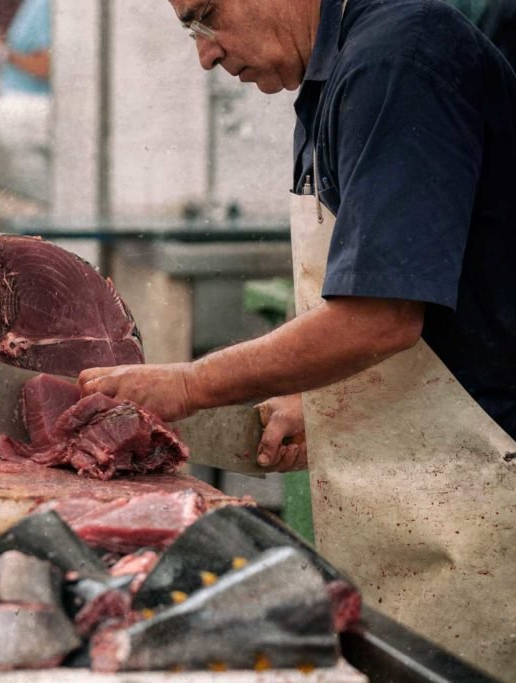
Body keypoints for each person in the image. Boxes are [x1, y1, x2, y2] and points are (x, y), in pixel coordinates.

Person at [78, 0, 516, 677]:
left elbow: (382, 315)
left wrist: (190, 384)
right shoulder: (327, 84)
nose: (206, 54)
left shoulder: (398, 57)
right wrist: (324, 405)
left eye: (206, 16)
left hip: (492, 489)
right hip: (438, 494)